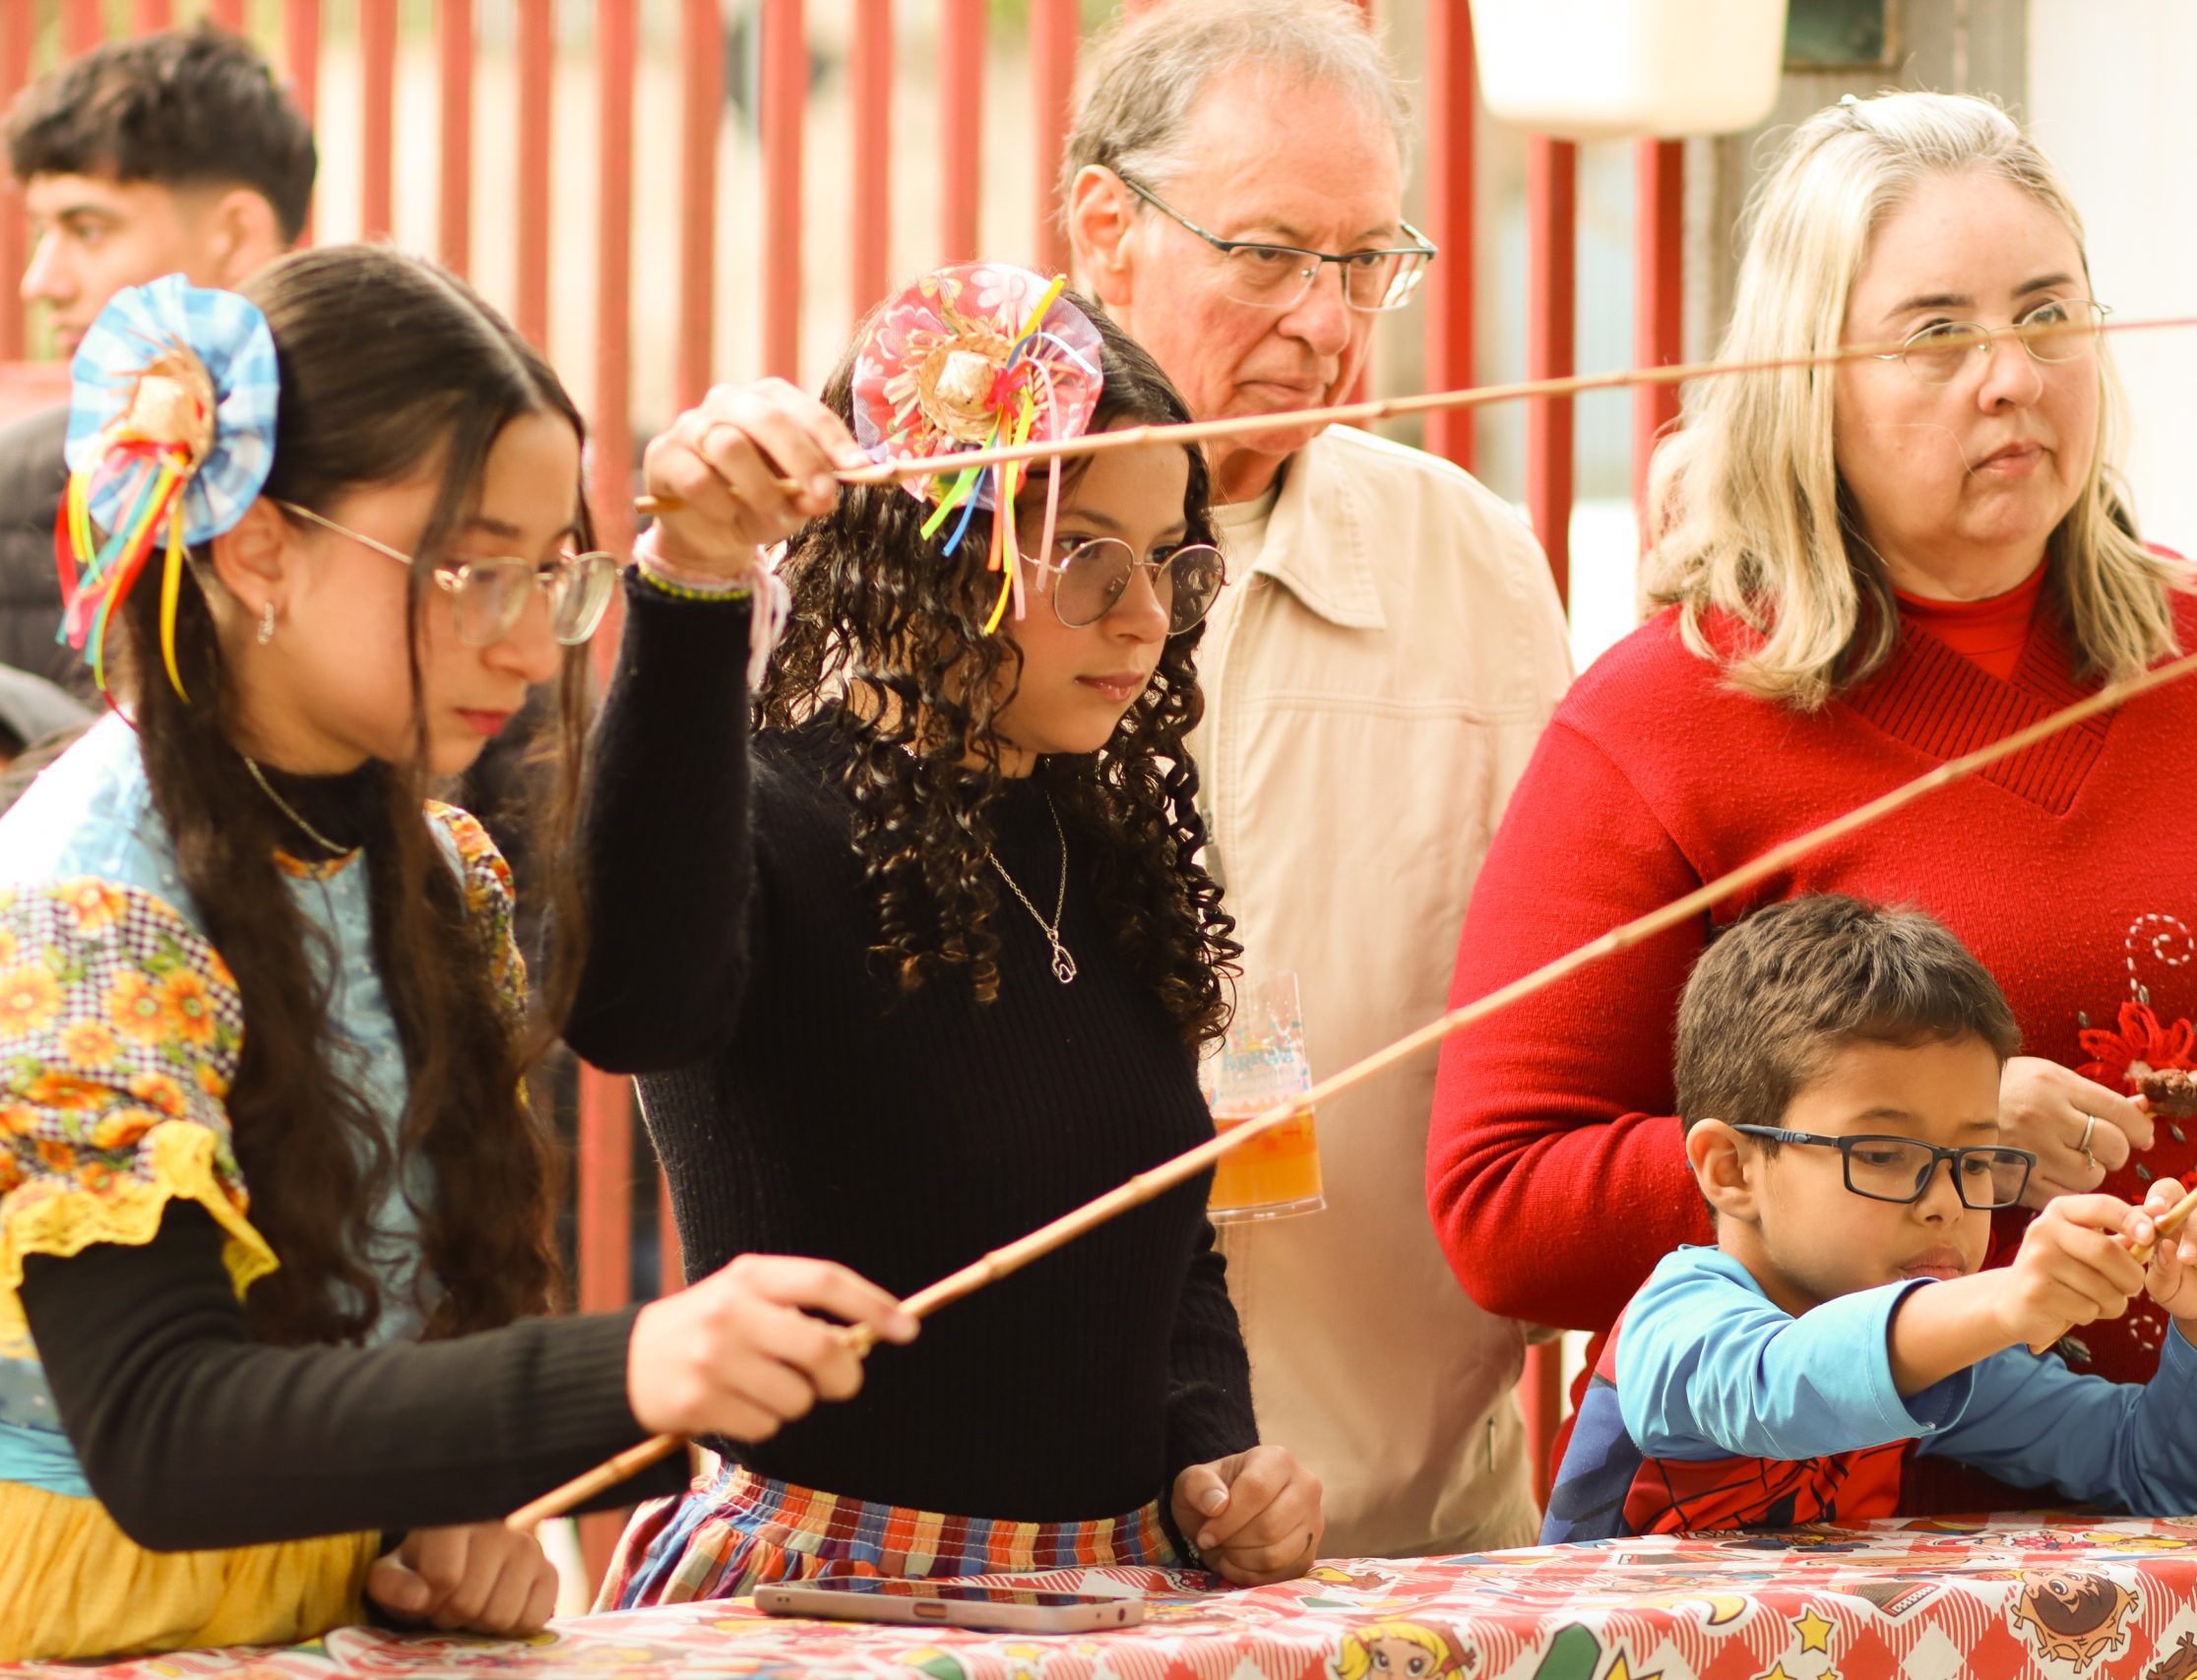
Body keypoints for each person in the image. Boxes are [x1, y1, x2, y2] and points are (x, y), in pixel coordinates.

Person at [1428, 91, 2197, 1511]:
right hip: (1887, 1593)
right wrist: (1914, 1143)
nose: (2010, 376)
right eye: (1935, 332)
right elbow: (1500, 1202)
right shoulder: (1666, 718)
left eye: (2050, 316)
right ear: (1808, 379)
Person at [0, 251, 913, 1662]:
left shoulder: (436, 869)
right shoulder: (87, 901)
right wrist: (633, 1364)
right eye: (473, 570)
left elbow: (641, 1016)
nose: (524, 636)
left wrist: (441, 1512)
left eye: (554, 574)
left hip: (324, 1615)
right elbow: (161, 1426)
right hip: (83, 1619)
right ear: (257, 547)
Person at [567, 263, 1320, 1607]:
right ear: (938, 545)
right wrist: (687, 580)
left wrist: (1215, 1455)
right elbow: (628, 1001)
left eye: (1169, 561)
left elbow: (1160, 1236)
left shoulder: (1103, 843)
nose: (1143, 613)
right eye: (1085, 553)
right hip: (825, 1599)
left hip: (1113, 1595)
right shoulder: (761, 821)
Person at [1062, 0, 1571, 1557]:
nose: (1326, 320)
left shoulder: (1468, 562)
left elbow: (1573, 1000)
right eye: (1270, 254)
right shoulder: (950, 550)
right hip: (1046, 1528)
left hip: (1409, 1517)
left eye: (1366, 265)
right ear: (1108, 228)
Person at [1544, 896, 2197, 1541]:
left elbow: (2155, 1471)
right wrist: (2000, 1301)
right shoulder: (1676, 1325)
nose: (1948, 1202)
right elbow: (1783, 1382)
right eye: (1883, 1153)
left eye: (1974, 1161)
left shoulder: (1944, 1358)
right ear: (1730, 1168)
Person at [0, 21, 314, 692]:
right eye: (42, 232)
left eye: (88, 229)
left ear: (237, 235)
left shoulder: (399, 469)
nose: (41, 281)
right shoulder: (16, 495)